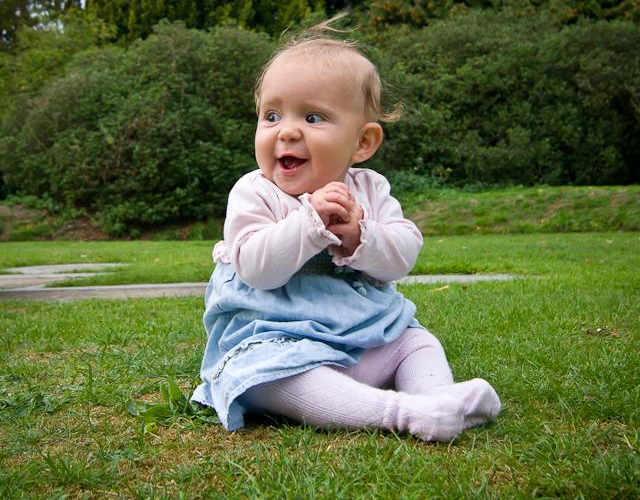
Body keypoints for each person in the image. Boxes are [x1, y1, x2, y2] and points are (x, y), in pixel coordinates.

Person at [191, 22, 501, 441]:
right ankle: (403, 411)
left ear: (362, 143)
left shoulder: (369, 189)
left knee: (415, 343)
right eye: (272, 115)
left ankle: (438, 398)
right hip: (279, 344)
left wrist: (359, 235)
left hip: (368, 337)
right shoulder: (254, 192)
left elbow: (402, 255)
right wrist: (308, 226)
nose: (287, 130)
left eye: (313, 116)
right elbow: (255, 268)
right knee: (271, 378)